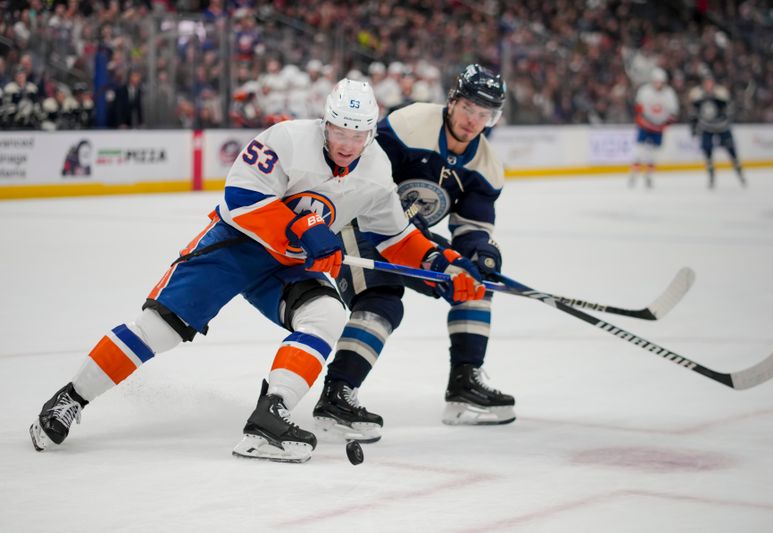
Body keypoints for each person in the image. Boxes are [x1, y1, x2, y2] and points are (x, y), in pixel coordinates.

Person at [29, 79, 485, 463]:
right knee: (158, 330)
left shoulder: (377, 170)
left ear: (370, 134)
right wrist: (304, 226)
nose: (347, 144)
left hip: (286, 266)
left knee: (327, 313)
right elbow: (239, 200)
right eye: (339, 131)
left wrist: (440, 261)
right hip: (233, 248)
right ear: (325, 123)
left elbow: (395, 235)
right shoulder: (285, 139)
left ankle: (270, 416)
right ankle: (71, 397)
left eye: (357, 135)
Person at [312, 64, 512, 443]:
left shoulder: (486, 166)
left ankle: (464, 383)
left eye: (484, 114)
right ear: (453, 101)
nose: (473, 121)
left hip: (409, 236)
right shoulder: (409, 124)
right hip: (358, 220)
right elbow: (364, 173)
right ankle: (337, 394)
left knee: (472, 281)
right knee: (382, 298)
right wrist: (403, 227)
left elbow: (472, 228)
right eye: (469, 108)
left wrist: (481, 253)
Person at [689, 75, 747, 189]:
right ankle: (711, 176)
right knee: (707, 151)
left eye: (710, 82)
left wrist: (726, 118)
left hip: (722, 127)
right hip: (706, 128)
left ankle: (739, 173)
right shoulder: (697, 94)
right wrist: (693, 129)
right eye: (706, 82)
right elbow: (693, 114)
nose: (708, 85)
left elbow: (729, 110)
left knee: (731, 151)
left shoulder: (721, 93)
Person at [628, 68, 679, 188]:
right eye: (656, 82)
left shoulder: (669, 93)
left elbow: (673, 113)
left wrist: (665, 124)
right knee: (639, 150)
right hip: (645, 125)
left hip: (659, 127)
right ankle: (634, 173)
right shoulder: (645, 91)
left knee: (653, 154)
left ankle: (649, 176)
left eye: (660, 82)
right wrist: (641, 120)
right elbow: (638, 109)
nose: (658, 84)